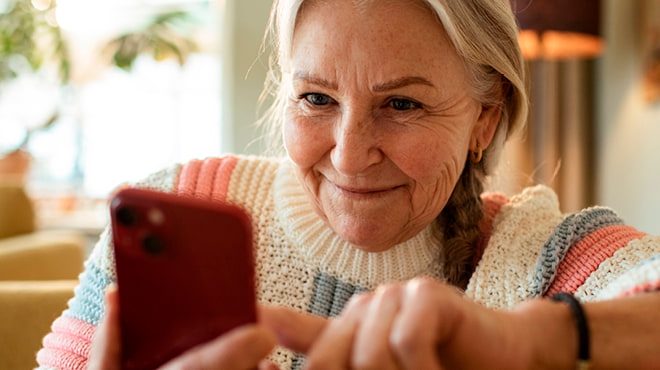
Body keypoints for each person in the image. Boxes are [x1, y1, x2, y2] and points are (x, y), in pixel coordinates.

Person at [38, 0, 660, 368]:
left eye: (404, 106)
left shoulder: (545, 257)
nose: (350, 154)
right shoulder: (183, 206)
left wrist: (529, 340)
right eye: (315, 98)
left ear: (485, 118)